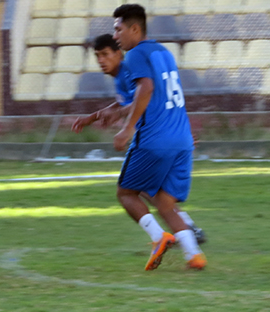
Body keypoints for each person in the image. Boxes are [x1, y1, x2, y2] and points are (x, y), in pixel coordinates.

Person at [72, 34, 205, 244]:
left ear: (119, 54)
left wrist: (125, 125)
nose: (101, 60)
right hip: (166, 136)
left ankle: (177, 233)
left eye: (105, 54)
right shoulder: (122, 76)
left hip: (157, 138)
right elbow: (124, 103)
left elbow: (145, 97)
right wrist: (92, 118)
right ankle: (187, 229)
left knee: (134, 189)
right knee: (148, 189)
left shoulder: (128, 71)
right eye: (97, 56)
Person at [108, 4, 206, 271]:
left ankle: (158, 237)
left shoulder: (135, 54)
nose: (115, 36)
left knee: (126, 193)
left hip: (155, 138)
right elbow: (164, 95)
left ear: (134, 29)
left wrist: (127, 128)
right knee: (164, 203)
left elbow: (146, 88)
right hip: (182, 139)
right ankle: (194, 255)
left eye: (118, 30)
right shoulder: (164, 52)